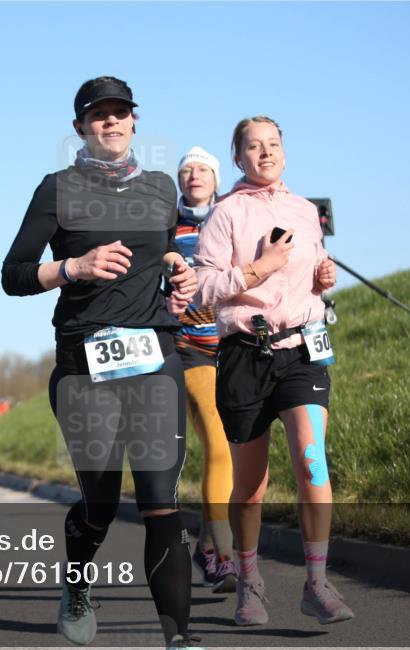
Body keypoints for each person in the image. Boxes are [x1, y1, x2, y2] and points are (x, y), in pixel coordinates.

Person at [1, 76, 212, 650]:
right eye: (99, 115)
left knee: (159, 501)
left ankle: (181, 646)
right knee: (99, 501)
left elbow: (164, 250)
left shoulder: (158, 186)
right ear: (79, 127)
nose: (111, 122)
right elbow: (13, 274)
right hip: (83, 361)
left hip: (155, 356)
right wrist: (74, 265)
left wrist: (180, 271)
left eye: (121, 113)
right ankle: (76, 582)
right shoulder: (58, 189)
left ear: (135, 122)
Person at [193, 116, 352, 626]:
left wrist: (323, 276)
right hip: (244, 353)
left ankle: (317, 584)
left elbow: (314, 274)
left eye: (274, 144)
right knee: (251, 488)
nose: (266, 153)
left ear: (285, 152)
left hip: (301, 349)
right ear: (238, 158)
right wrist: (258, 269)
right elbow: (200, 291)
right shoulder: (224, 214)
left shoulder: (305, 211)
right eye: (254, 147)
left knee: (312, 463)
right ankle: (250, 583)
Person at [171, 147, 237, 593]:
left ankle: (207, 545)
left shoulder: (234, 217)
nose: (194, 175)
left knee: (231, 447)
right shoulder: (163, 226)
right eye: (186, 169)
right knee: (216, 440)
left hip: (236, 345)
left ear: (216, 179)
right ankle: (225, 553)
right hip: (189, 347)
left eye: (202, 169)